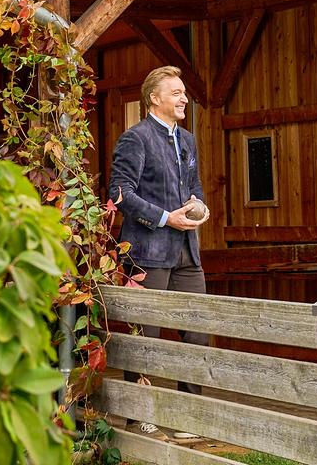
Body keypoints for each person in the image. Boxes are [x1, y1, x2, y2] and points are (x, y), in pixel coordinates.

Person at [108, 65, 210, 440]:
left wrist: (199, 207)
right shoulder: (136, 138)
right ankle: (140, 415)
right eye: (177, 93)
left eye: (184, 93)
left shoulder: (187, 139)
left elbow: (193, 185)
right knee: (146, 334)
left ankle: (187, 416)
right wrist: (167, 218)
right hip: (147, 251)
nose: (184, 99)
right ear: (155, 98)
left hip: (188, 252)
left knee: (197, 330)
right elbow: (119, 192)